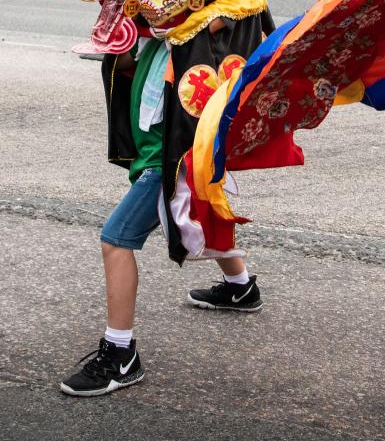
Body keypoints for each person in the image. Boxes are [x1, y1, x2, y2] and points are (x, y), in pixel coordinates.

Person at [59, 25, 266, 398]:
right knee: (204, 213)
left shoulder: (203, 28)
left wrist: (169, 17)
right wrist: (125, 23)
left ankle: (121, 355)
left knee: (116, 240)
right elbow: (124, 62)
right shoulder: (159, 37)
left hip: (169, 158)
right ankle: (241, 287)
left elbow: (224, 19)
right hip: (158, 149)